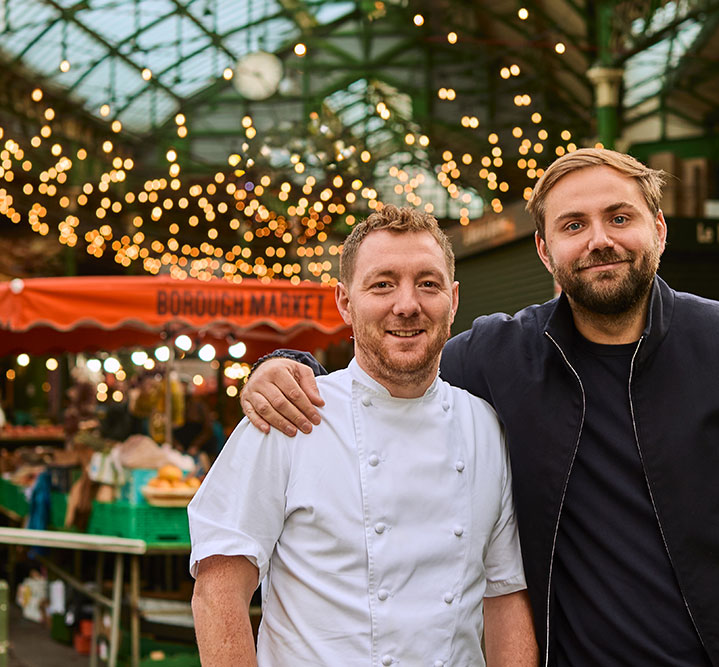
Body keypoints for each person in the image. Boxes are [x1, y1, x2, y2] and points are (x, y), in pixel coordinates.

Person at [242, 149, 719, 665]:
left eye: (619, 217)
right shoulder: (500, 355)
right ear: (545, 251)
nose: (599, 240)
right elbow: (399, 362)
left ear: (659, 230)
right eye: (573, 225)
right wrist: (294, 368)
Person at [188, 205, 536, 666]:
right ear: (345, 302)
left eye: (428, 284)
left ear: (453, 301)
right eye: (383, 284)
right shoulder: (292, 415)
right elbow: (219, 588)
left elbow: (505, 592)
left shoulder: (485, 426)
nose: (407, 304)